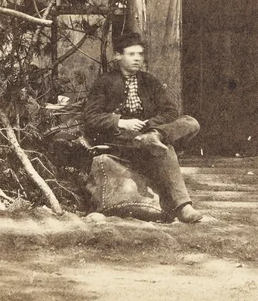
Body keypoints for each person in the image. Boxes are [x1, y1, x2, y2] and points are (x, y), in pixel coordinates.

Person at [80, 31, 204, 224]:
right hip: (120, 138)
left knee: (191, 122)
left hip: (148, 133)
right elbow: (90, 117)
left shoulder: (149, 81)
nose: (137, 59)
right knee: (166, 149)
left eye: (140, 54)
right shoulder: (105, 82)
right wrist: (121, 121)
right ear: (118, 56)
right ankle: (183, 207)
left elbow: (170, 111)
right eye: (131, 54)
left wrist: (151, 126)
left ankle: (154, 137)